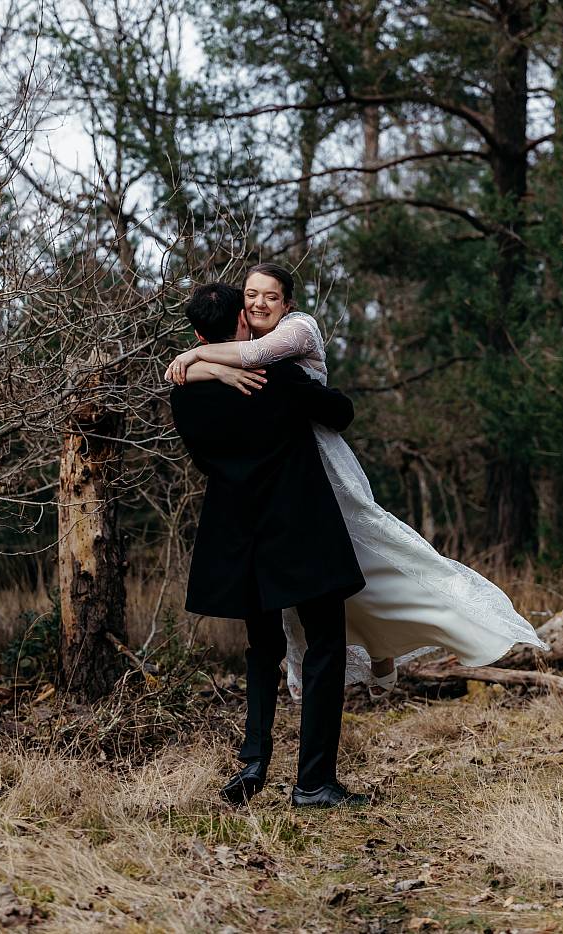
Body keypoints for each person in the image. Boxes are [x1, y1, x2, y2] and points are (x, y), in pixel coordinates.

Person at [166, 264, 549, 700]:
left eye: (270, 296)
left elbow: (249, 362)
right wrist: (212, 368)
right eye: (251, 295)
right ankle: (366, 653)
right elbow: (183, 375)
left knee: (374, 551)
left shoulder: (299, 329)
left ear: (288, 302)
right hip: (289, 474)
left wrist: (196, 356)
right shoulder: (241, 347)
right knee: (308, 586)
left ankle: (440, 624)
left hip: (325, 463)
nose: (258, 304)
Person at [169, 282, 368, 809]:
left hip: (238, 536)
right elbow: (341, 411)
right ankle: (313, 782)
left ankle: (254, 762)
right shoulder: (275, 375)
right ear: (242, 324)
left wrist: (204, 363)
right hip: (300, 527)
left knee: (263, 650)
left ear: (197, 335)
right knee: (325, 647)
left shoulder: (185, 389)